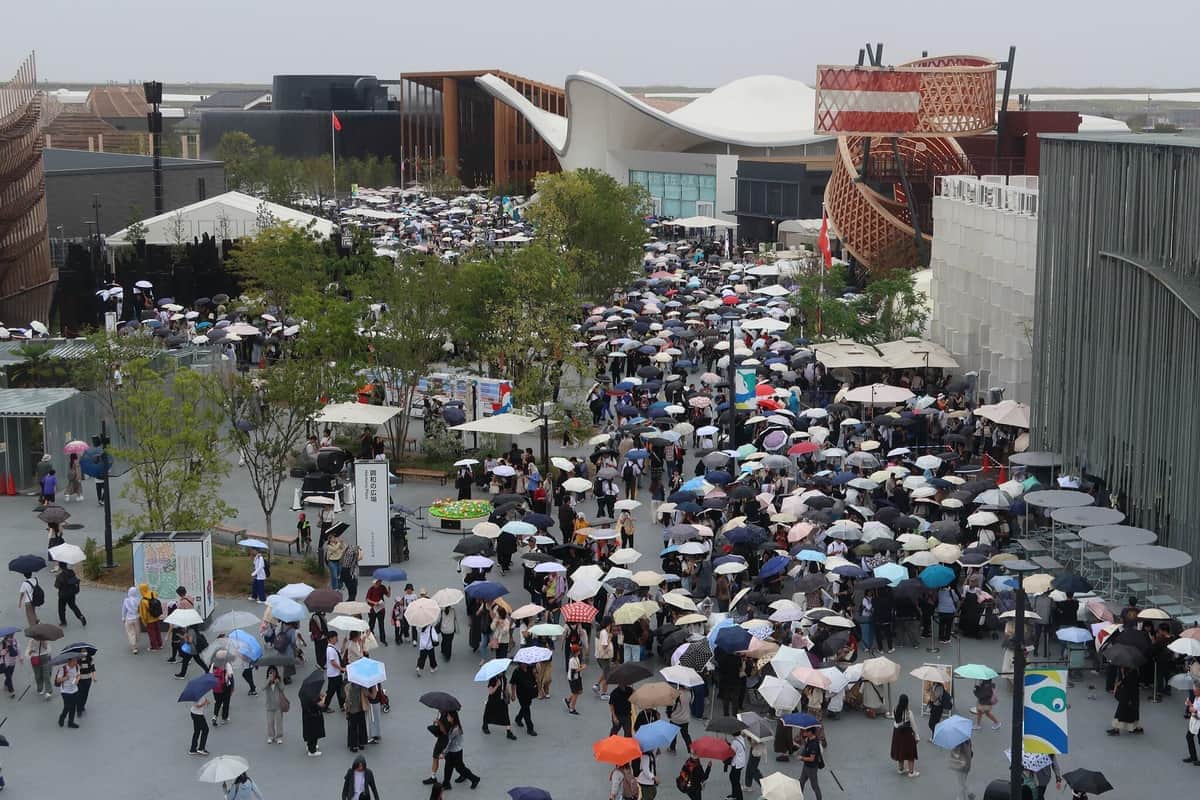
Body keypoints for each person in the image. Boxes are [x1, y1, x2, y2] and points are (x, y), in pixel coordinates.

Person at [441, 710, 480, 790]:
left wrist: (444, 752)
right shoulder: (451, 725)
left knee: (459, 767)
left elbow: (449, 741)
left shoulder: (456, 729)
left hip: (455, 751)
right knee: (449, 766)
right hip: (453, 750)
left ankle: (474, 779)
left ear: (453, 718)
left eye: (448, 716)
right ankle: (446, 783)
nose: (447, 717)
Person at [890, 693, 920, 777]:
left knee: (900, 751)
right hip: (907, 734)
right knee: (911, 753)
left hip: (897, 733)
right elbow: (913, 725)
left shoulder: (895, 709)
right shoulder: (908, 713)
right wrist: (917, 736)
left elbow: (895, 722)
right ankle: (911, 772)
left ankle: (901, 769)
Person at [1107, 666, 1143, 735]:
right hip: (1131, 694)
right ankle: (1134, 727)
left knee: (1121, 711)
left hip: (1129, 694)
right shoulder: (1131, 669)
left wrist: (1122, 678)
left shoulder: (1132, 671)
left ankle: (1117, 729)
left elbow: (1129, 682)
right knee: (1131, 712)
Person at [482, 669, 516, 739]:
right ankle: (485, 725)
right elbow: (490, 692)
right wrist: (497, 685)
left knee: (506, 715)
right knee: (488, 713)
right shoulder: (492, 679)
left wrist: (510, 695)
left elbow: (506, 687)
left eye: (503, 671)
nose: (502, 673)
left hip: (502, 700)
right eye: (500, 672)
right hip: (493, 700)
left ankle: (508, 732)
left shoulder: (504, 678)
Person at [511, 662, 538, 736]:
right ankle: (530, 728)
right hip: (521, 693)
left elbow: (536, 678)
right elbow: (513, 684)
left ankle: (518, 718)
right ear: (519, 664)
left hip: (530, 692)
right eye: (523, 663)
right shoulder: (516, 671)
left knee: (526, 706)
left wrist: (535, 673)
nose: (525, 664)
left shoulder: (530, 668)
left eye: (525, 663)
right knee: (526, 709)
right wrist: (513, 695)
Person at [54, 655, 81, 728]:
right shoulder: (63, 669)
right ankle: (62, 718)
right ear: (69, 661)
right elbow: (58, 680)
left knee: (73, 707)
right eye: (74, 661)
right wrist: (65, 678)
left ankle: (71, 722)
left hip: (74, 690)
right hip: (65, 691)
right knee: (67, 706)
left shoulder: (77, 666)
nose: (75, 662)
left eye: (76, 660)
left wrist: (77, 680)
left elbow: (78, 675)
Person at [167, 586, 193, 662]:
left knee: (183, 640)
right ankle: (184, 655)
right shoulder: (190, 598)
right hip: (191, 619)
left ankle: (187, 657)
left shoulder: (182, 602)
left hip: (184, 622)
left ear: (178, 594)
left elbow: (179, 613)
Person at [797, 727, 824, 800]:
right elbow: (806, 750)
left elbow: (812, 759)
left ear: (810, 732)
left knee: (814, 786)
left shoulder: (814, 745)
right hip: (806, 766)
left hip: (811, 768)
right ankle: (800, 797)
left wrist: (801, 758)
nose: (804, 732)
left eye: (806, 731)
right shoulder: (808, 739)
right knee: (801, 782)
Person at [323, 630, 347, 711]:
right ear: (330, 639)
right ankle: (325, 706)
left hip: (336, 674)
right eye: (334, 637)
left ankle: (342, 705)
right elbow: (332, 662)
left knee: (339, 690)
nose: (336, 638)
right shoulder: (330, 649)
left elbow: (341, 652)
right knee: (331, 691)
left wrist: (344, 643)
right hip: (333, 674)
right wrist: (341, 668)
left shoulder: (334, 647)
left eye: (336, 637)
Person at [138, 582, 164, 651]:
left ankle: (154, 647)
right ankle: (160, 644)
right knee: (157, 631)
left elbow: (143, 613)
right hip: (156, 617)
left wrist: (144, 621)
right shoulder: (153, 594)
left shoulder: (143, 601)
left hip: (149, 620)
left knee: (152, 634)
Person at [346, 678, 370, 753]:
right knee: (361, 726)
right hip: (360, 708)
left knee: (352, 728)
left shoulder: (347, 687)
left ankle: (353, 745)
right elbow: (367, 694)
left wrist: (347, 711)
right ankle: (361, 743)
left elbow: (347, 699)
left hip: (352, 710)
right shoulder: (362, 686)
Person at [263, 665, 286, 744]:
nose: (272, 674)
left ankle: (279, 737)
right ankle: (271, 736)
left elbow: (282, 688)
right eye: (270, 672)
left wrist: (278, 683)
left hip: (278, 705)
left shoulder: (279, 680)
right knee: (270, 722)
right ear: (268, 673)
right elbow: (262, 687)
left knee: (279, 722)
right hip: (269, 705)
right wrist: (269, 680)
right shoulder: (267, 680)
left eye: (274, 672)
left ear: (276, 673)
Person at [366, 578, 391, 646]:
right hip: (372, 609)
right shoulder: (371, 589)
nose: (379, 583)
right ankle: (368, 637)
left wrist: (389, 590)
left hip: (381, 609)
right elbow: (367, 599)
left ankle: (383, 639)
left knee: (381, 625)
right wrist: (374, 603)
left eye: (380, 581)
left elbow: (388, 596)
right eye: (377, 582)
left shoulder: (382, 587)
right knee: (371, 624)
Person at [302, 688, 326, 756]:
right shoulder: (313, 697)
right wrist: (324, 697)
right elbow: (321, 704)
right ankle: (312, 751)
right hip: (314, 717)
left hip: (308, 717)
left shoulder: (306, 695)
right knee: (314, 733)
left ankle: (310, 746)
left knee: (310, 732)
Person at [189, 685, 211, 755]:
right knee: (205, 730)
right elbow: (198, 705)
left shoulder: (199, 693)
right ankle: (201, 748)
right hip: (198, 715)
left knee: (197, 731)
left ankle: (193, 749)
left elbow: (202, 701)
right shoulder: (198, 695)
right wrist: (205, 703)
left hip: (194, 713)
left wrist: (206, 701)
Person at [211, 661, 234, 726]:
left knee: (217, 702)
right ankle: (224, 718)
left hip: (216, 687)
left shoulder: (214, 664)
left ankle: (215, 716)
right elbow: (230, 676)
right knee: (226, 702)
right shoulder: (227, 664)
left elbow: (210, 674)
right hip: (225, 687)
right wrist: (232, 687)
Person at [727, 730, 747, 800]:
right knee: (733, 777)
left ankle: (739, 797)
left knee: (735, 781)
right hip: (740, 762)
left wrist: (726, 744)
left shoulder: (735, 742)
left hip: (736, 764)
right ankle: (734, 794)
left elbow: (731, 753)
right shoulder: (740, 738)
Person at [75, 647, 96, 715]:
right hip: (80, 680)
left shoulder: (90, 659)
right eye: (82, 651)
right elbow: (75, 670)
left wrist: (94, 677)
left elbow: (93, 668)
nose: (84, 653)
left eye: (85, 651)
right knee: (79, 694)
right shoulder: (77, 660)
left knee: (85, 694)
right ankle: (79, 709)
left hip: (88, 679)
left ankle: (82, 705)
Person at [121, 586, 142, 654]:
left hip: (129, 618)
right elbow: (140, 609)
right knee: (137, 631)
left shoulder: (126, 600)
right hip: (136, 618)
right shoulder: (138, 600)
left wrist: (123, 617)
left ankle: (134, 647)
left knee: (130, 632)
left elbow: (124, 609)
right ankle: (136, 642)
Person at [0, 633, 19, 698]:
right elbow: (1, 653)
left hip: (11, 662)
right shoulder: (2, 643)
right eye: (10, 636)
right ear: (7, 636)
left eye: (12, 635)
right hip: (4, 663)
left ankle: (6, 685)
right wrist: (6, 649)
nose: (11, 637)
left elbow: (16, 651)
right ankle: (11, 691)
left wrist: (20, 657)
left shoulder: (14, 641)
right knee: (8, 677)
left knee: (10, 676)